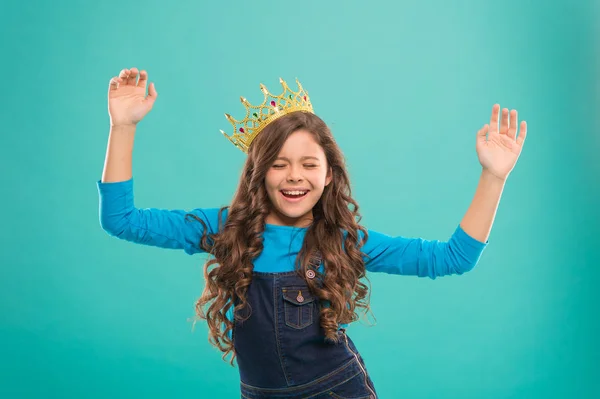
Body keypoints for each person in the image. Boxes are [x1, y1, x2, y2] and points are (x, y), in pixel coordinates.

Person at [98, 67, 528, 399]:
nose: (294, 177)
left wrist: (494, 176)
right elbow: (122, 220)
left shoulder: (342, 241)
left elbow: (453, 258)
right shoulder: (224, 229)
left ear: (328, 176)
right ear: (259, 172)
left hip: (336, 389)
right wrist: (123, 126)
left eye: (309, 164)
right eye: (279, 163)